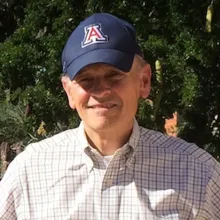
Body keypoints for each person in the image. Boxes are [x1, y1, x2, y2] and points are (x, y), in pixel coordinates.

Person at [0, 12, 220, 220]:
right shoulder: (28, 172)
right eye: (86, 79)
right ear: (69, 92)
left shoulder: (198, 173)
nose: (101, 91)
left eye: (114, 75)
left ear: (144, 81)